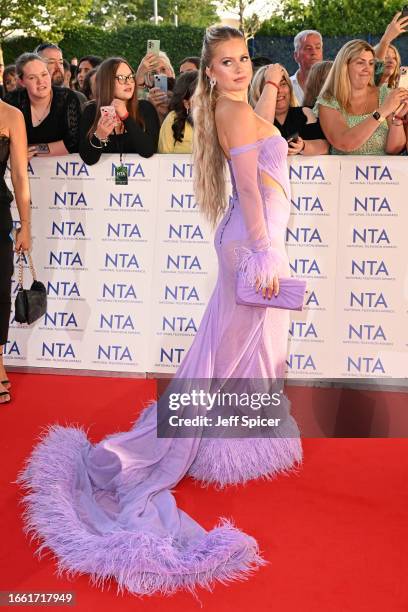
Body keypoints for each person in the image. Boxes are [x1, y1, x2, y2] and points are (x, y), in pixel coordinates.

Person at [18, 26, 301, 595]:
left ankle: (224, 444)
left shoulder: (236, 109)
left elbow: (261, 147)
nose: (241, 68)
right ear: (211, 70)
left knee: (238, 351)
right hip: (253, 245)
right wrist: (268, 252)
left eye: (245, 58)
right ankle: (149, 454)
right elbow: (248, 188)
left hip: (251, 241)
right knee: (222, 356)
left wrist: (271, 89)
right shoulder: (235, 115)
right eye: (228, 62)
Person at [315, 40, 408, 155]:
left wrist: (397, 118)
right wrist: (382, 112)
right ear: (344, 66)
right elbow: (344, 143)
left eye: (371, 63)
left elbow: (394, 149)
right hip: (342, 171)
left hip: (383, 171)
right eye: (360, 63)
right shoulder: (329, 101)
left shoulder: (386, 94)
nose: (367, 69)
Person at [0, 99, 31, 404]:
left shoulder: (11, 115)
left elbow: (20, 176)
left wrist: (26, 225)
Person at [79, 57, 160, 165]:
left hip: (140, 179)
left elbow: (148, 151)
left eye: (130, 77)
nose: (128, 82)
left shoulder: (145, 108)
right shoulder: (91, 111)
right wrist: (100, 135)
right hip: (101, 180)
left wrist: (126, 117)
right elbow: (88, 159)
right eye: (121, 78)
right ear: (107, 82)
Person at [6, 53, 81, 158]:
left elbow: (73, 142)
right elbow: (4, 142)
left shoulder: (67, 97)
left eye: (44, 74)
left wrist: (33, 150)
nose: (40, 81)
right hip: (21, 170)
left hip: (62, 170)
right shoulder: (11, 101)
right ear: (22, 82)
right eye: (32, 77)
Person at [250, 65, 329, 156]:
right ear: (259, 92)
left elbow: (325, 146)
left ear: (290, 88)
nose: (278, 90)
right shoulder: (250, 119)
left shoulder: (306, 113)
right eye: (271, 86)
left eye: (283, 84)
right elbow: (256, 136)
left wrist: (303, 146)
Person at [35, 43, 87, 108]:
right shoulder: (24, 100)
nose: (58, 67)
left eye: (60, 63)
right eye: (51, 62)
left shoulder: (78, 98)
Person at [158, 70, 197, 153]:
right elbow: (163, 160)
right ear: (186, 103)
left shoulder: (218, 119)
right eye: (199, 97)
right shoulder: (173, 119)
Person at [374, 12, 408, 87]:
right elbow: (377, 68)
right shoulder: (369, 87)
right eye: (385, 57)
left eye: (395, 58)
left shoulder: (396, 89)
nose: (391, 61)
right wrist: (385, 40)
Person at [290, 30, 323, 105]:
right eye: (308, 48)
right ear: (296, 56)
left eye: (318, 47)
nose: (314, 52)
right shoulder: (287, 87)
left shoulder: (334, 84)